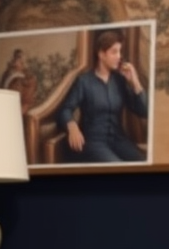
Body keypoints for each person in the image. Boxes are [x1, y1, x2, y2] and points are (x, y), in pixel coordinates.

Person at [56, 30, 148, 163]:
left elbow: (143, 111)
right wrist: (72, 126)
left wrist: (135, 82)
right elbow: (65, 109)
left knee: (142, 161)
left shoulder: (120, 80)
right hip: (93, 143)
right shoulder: (84, 81)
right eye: (114, 52)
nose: (119, 56)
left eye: (120, 51)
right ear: (101, 54)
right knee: (118, 167)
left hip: (119, 140)